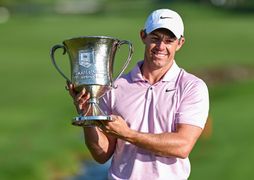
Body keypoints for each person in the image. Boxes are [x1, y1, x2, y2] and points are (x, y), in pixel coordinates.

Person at [67, 8, 210, 180]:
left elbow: (182, 146)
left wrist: (128, 134)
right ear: (143, 36)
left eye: (169, 41)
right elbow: (101, 155)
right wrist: (87, 115)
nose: (161, 47)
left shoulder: (191, 87)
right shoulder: (116, 87)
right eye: (155, 39)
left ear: (180, 43)